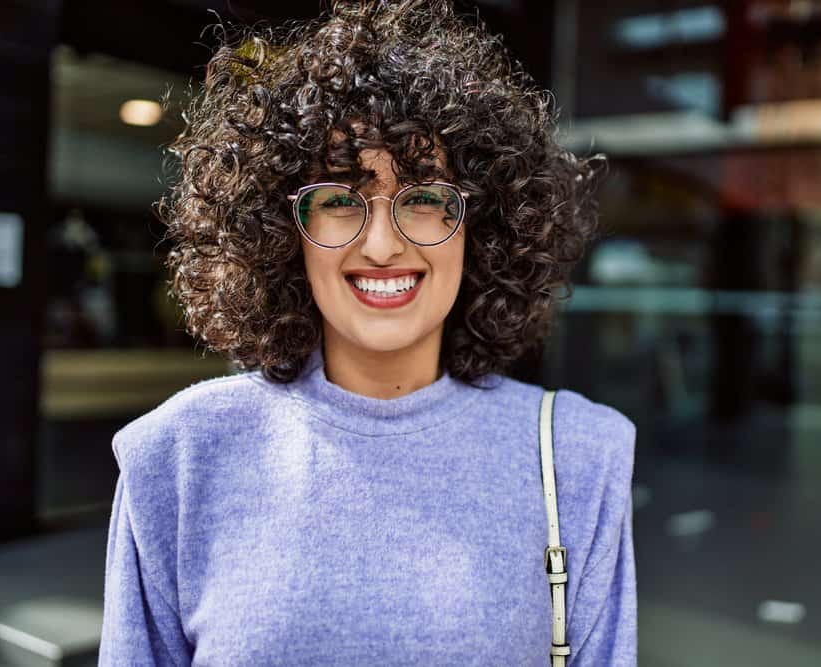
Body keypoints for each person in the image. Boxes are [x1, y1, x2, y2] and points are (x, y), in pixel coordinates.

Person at [97, 1, 637, 665]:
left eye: (426, 198)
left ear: (482, 227)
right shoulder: (176, 456)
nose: (382, 244)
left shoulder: (577, 456)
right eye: (337, 199)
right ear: (282, 230)